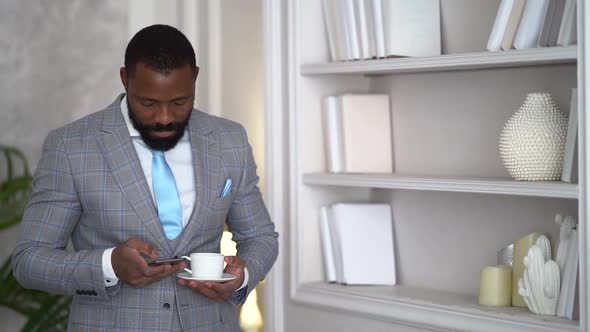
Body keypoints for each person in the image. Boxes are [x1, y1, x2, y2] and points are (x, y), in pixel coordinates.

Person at [12, 24, 278, 332]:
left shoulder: (229, 139)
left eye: (179, 102)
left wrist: (241, 277)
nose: (164, 117)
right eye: (148, 103)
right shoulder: (71, 146)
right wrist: (109, 265)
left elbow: (260, 238)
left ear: (195, 78)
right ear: (125, 79)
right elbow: (29, 261)